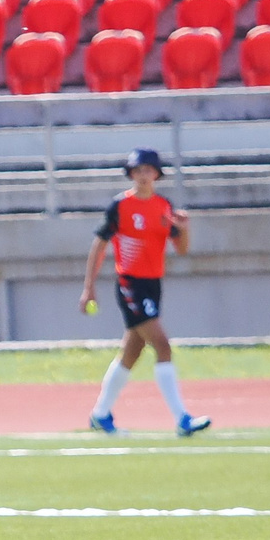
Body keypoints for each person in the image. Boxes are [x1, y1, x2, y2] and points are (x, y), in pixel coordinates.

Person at [79, 147, 211, 436]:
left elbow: (182, 248)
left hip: (153, 284)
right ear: (131, 174)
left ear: (156, 174)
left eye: (148, 170)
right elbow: (100, 244)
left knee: (132, 352)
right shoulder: (120, 206)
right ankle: (182, 418)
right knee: (162, 345)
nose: (143, 176)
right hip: (130, 283)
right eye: (138, 171)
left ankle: (100, 414)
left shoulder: (164, 206)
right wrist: (89, 287)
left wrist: (185, 229)